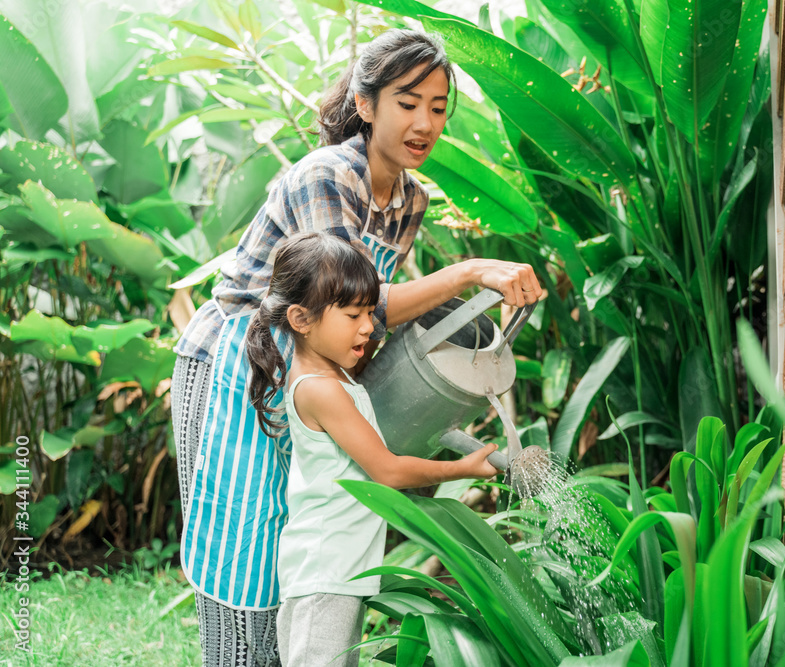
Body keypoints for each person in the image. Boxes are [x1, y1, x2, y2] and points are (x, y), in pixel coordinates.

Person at [170, 29, 541, 667]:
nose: (425, 123)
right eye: (408, 103)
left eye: (438, 107)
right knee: (243, 539)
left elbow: (365, 312)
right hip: (238, 363)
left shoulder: (411, 199)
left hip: (306, 373)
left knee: (294, 533)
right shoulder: (327, 175)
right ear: (366, 105)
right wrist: (469, 271)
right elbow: (335, 302)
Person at [244, 232, 500, 666]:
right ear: (301, 319)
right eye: (353, 315)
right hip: (323, 572)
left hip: (340, 570)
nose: (368, 325)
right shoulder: (320, 388)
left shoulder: (335, 374)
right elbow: (388, 471)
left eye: (369, 311)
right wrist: (463, 468)